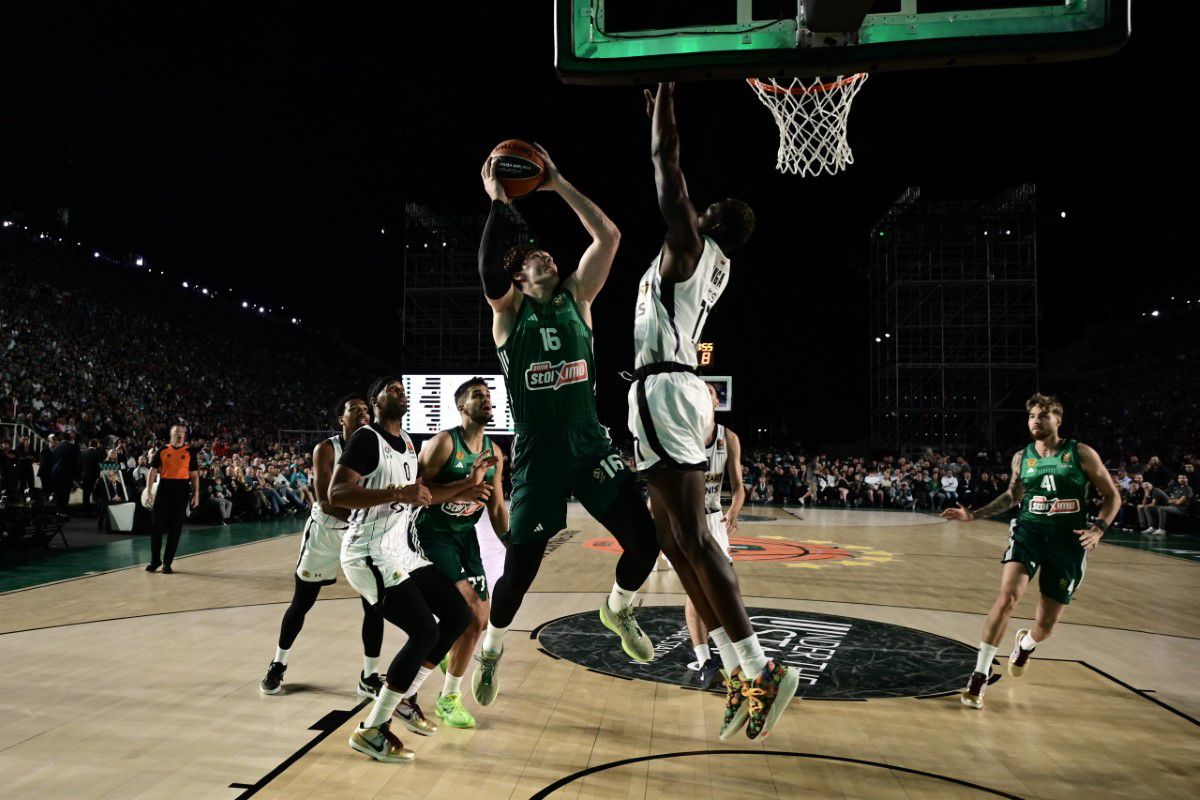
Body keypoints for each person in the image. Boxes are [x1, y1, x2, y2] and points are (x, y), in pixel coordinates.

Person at [629, 82, 796, 742]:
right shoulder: (706, 260)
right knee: (672, 542)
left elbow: (666, 163)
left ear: (705, 220)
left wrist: (665, 98)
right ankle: (734, 669)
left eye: (703, 206)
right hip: (660, 389)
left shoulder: (691, 248)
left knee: (693, 537)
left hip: (668, 388)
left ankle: (762, 667)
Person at [474, 142, 661, 707]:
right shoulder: (509, 316)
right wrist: (496, 204)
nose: (548, 259)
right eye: (536, 260)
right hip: (537, 450)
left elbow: (609, 237)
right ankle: (490, 648)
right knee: (521, 570)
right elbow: (487, 269)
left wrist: (556, 182)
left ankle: (618, 610)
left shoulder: (578, 297)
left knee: (645, 543)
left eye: (550, 256)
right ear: (520, 278)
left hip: (587, 437)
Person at [331, 377, 477, 763]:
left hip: (400, 549)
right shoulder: (365, 438)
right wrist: (398, 493)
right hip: (367, 552)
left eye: (401, 387)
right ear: (375, 401)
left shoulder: (409, 442)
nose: (399, 390)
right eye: (390, 388)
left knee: (458, 614)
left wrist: (467, 485)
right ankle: (372, 730)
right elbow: (337, 493)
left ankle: (407, 697)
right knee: (424, 630)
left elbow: (422, 497)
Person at [941, 394, 1119, 709]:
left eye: (1043, 416)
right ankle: (978, 677)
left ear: (1058, 420)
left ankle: (1026, 644)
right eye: (1032, 416)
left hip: (1068, 541)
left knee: (1046, 625)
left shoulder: (1080, 453)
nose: (1036, 421)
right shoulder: (1021, 457)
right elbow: (1012, 496)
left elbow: (1112, 496)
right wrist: (974, 515)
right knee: (1007, 597)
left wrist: (1099, 529)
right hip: (1029, 532)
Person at [259, 395, 390, 698]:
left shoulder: (376, 448)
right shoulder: (327, 448)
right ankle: (278, 664)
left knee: (374, 604)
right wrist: (368, 515)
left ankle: (369, 677)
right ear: (341, 419)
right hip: (326, 532)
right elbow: (326, 501)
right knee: (301, 603)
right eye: (354, 410)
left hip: (359, 534)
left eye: (366, 411)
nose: (362, 414)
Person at [414, 378, 509, 729]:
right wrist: (462, 489)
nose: (486, 401)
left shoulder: (494, 452)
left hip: (465, 538)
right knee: (468, 613)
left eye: (488, 396)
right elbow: (418, 492)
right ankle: (448, 698)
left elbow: (497, 507)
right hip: (433, 536)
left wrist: (511, 544)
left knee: (481, 622)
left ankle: (448, 672)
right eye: (477, 396)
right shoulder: (442, 443)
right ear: (461, 406)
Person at [685, 382, 745, 690]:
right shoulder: (682, 434)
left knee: (724, 586)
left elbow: (738, 487)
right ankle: (704, 658)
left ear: (715, 402)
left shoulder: (729, 438)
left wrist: (734, 510)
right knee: (697, 590)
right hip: (688, 520)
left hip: (715, 519)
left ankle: (723, 649)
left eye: (706, 396)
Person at [145, 425, 200, 573]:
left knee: (175, 529)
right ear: (171, 434)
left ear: (185, 435)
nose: (179, 435)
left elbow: (194, 475)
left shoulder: (190, 452)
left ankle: (167, 563)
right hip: (164, 489)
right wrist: (149, 491)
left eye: (182, 433)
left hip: (181, 490)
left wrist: (196, 494)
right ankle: (155, 560)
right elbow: (152, 471)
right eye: (176, 432)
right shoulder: (162, 450)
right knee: (156, 527)